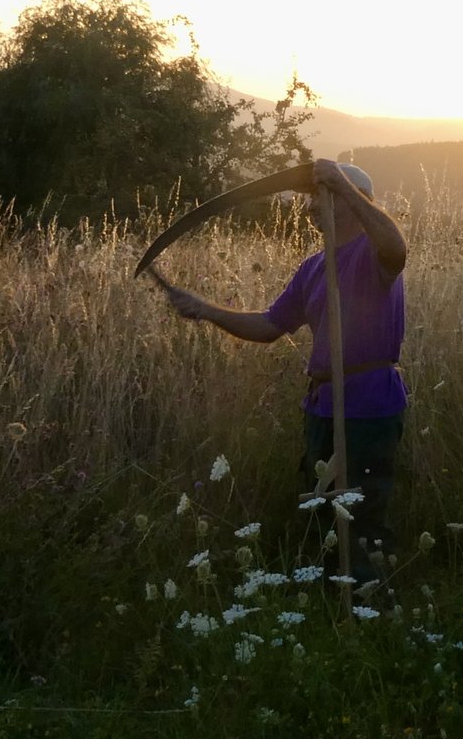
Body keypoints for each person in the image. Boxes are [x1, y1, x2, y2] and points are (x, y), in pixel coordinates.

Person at [146, 159, 410, 582]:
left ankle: (372, 607)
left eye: (318, 198)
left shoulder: (374, 253)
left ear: (346, 201)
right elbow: (270, 326)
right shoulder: (312, 268)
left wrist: (339, 180)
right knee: (323, 510)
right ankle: (332, 603)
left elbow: (397, 248)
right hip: (323, 405)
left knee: (362, 512)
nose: (308, 209)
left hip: (369, 404)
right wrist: (206, 310)